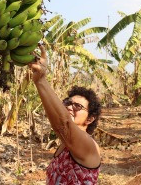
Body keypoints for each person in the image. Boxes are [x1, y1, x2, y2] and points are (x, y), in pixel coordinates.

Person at [29, 45, 102, 185]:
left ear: (90, 119)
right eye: (68, 103)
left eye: (78, 106)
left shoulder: (88, 145)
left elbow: (63, 124)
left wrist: (41, 80)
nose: (69, 107)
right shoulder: (65, 144)